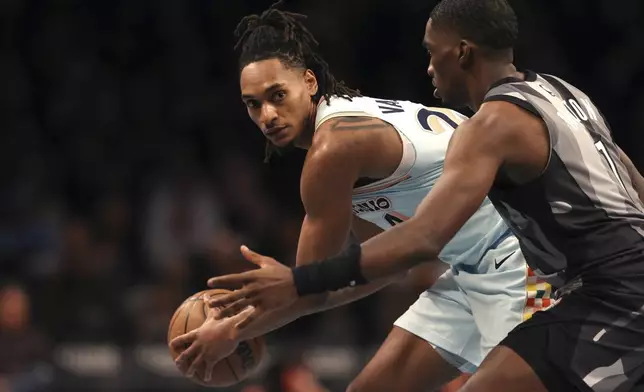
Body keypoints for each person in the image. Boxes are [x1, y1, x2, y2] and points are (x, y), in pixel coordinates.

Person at [206, 0, 644, 391]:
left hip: (523, 267)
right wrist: (270, 307)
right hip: (471, 269)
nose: (267, 115)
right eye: (252, 104)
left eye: (277, 95)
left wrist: (237, 328)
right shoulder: (553, 92)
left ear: (309, 82)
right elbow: (371, 269)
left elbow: (317, 282)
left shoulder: (334, 147)